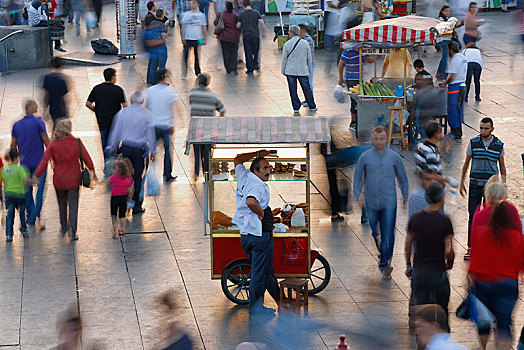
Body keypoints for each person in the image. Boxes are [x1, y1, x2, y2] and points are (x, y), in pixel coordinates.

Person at [468, 178, 523, 350]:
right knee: (504, 325)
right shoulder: (515, 236)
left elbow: (475, 260)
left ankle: (483, 348)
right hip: (508, 284)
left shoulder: (483, 232)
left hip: (485, 284)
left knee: (484, 323)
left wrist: (470, 280)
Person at [353, 126, 409, 279]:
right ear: (373, 139)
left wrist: (405, 196)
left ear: (387, 139)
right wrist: (358, 194)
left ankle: (386, 262)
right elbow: (357, 177)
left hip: (389, 201)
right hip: (371, 202)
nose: (379, 142)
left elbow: (402, 177)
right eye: (376, 139)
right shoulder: (365, 157)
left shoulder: (394, 157)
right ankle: (384, 256)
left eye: (382, 139)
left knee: (388, 234)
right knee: (375, 232)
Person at [232, 150, 280, 314]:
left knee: (265, 271)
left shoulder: (244, 176)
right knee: (260, 274)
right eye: (265, 168)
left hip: (246, 234)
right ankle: (256, 309)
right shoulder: (256, 185)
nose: (268, 171)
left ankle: (281, 302)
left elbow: (238, 158)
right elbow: (250, 201)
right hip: (258, 234)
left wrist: (259, 153)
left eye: (269, 167)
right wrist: (260, 212)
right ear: (256, 171)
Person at [34, 119, 96, 241]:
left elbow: (44, 161)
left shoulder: (53, 144)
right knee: (73, 204)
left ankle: (63, 226)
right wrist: (93, 170)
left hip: (59, 180)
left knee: (61, 203)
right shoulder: (76, 142)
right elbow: (86, 157)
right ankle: (72, 232)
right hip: (74, 179)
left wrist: (37, 175)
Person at [405, 183, 455, 317]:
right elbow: (448, 249)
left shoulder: (416, 218)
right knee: (442, 311)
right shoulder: (445, 221)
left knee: (417, 310)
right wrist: (449, 264)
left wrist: (409, 265)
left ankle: (418, 334)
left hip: (420, 272)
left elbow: (408, 243)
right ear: (442, 199)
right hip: (438, 273)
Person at [459, 117, 506, 260]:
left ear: (492, 129)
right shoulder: (473, 143)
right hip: (474, 185)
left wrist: (503, 186)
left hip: (491, 189)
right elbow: (466, 162)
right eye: (481, 128)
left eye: (486, 128)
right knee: (473, 217)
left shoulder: (499, 145)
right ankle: (471, 247)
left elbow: (502, 167)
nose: (483, 131)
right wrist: (462, 182)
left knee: (490, 218)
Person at [105, 91, 156, 215]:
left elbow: (116, 131)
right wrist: (153, 150)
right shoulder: (147, 115)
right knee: (138, 177)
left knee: (125, 175)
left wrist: (113, 146)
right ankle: (137, 204)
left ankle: (125, 201)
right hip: (140, 150)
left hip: (126, 148)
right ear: (142, 101)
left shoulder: (122, 113)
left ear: (131, 101)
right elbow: (150, 133)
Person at [11, 99, 50, 230]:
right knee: (40, 188)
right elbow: (45, 140)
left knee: (27, 190)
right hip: (40, 162)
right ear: (29, 107)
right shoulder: (39, 123)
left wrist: (14, 161)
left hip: (24, 163)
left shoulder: (16, 125)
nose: (37, 106)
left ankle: (30, 215)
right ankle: (35, 215)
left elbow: (13, 146)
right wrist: (52, 156)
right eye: (35, 104)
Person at [146, 69, 180, 181]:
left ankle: (148, 170)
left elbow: (147, 107)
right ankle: (167, 174)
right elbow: (174, 108)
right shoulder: (170, 90)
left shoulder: (150, 91)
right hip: (166, 125)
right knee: (167, 150)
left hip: (154, 125)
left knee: (151, 149)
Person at [189, 73, 226, 177]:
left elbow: (192, 104)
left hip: (196, 128)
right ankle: (206, 172)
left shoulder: (192, 93)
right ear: (208, 83)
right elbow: (222, 110)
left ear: (198, 82)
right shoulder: (214, 96)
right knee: (207, 151)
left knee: (196, 151)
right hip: (209, 129)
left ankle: (196, 172)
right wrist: (218, 122)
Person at [86, 68, 127, 153]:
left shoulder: (97, 88)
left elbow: (88, 103)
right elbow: (125, 106)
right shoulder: (118, 90)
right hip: (115, 121)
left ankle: (106, 159)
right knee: (114, 143)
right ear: (113, 77)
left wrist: (95, 110)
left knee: (104, 142)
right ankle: (113, 158)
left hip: (102, 120)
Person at [281, 25, 316, 115]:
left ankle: (296, 106)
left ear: (292, 33)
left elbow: (284, 59)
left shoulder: (287, 44)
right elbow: (309, 58)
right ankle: (312, 105)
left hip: (290, 70)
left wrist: (283, 70)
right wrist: (308, 69)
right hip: (302, 69)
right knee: (306, 88)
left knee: (293, 89)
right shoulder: (305, 43)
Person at [338, 48, 374, 130]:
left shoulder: (363, 50)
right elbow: (341, 64)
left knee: (359, 100)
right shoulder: (347, 51)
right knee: (354, 100)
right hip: (350, 79)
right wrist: (341, 79)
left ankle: (358, 120)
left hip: (359, 79)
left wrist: (376, 57)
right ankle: (353, 122)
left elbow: (369, 60)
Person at [1, 149, 32, 242]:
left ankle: (9, 234)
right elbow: (25, 179)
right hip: (19, 195)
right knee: (22, 213)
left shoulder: (3, 169)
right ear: (15, 158)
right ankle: (23, 230)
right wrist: (33, 181)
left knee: (10, 215)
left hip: (9, 195)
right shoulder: (20, 168)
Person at [439, 41, 467, 140]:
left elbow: (452, 76)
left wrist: (444, 83)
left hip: (456, 87)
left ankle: (456, 132)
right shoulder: (463, 57)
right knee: (459, 110)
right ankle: (458, 130)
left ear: (450, 50)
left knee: (453, 110)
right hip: (463, 85)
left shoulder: (455, 59)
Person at [237, 0, 266, 74]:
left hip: (246, 35)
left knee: (248, 52)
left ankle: (250, 69)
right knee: (256, 52)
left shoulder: (241, 14)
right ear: (250, 4)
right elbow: (262, 23)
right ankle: (256, 66)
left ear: (243, 5)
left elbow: (238, 25)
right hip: (255, 35)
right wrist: (264, 33)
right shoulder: (256, 13)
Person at [107, 158, 134, 239]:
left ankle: (115, 232)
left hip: (114, 198)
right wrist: (129, 197)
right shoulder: (128, 178)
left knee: (114, 215)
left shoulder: (114, 177)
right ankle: (121, 229)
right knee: (122, 215)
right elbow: (131, 189)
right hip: (123, 198)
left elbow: (108, 182)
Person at [181, 0, 206, 79]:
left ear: (198, 4)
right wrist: (183, 37)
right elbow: (183, 26)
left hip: (198, 38)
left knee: (197, 56)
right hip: (188, 37)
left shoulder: (202, 15)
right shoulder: (186, 15)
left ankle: (198, 72)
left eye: (194, 3)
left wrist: (205, 38)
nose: (192, 5)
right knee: (185, 56)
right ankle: (184, 73)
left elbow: (203, 27)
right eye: (191, 3)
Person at [214, 1, 239, 75]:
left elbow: (215, 23)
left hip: (223, 37)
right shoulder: (235, 15)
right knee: (233, 53)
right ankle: (234, 68)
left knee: (226, 53)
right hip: (233, 36)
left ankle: (228, 68)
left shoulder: (221, 14)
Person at [145, 9, 169, 85]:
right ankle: (161, 81)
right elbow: (164, 36)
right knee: (162, 65)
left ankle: (150, 80)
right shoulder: (162, 25)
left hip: (152, 47)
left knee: (152, 65)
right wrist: (167, 31)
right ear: (162, 15)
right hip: (161, 47)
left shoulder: (152, 23)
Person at [42, 57, 69, 124]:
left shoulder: (47, 78)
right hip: (60, 108)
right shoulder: (62, 80)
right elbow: (63, 97)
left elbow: (46, 95)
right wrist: (66, 110)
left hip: (52, 107)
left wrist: (45, 109)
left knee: (54, 125)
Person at [298, 24, 315, 107]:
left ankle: (310, 100)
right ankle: (307, 99)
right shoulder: (302, 39)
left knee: (308, 82)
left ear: (303, 31)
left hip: (308, 63)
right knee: (306, 82)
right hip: (304, 63)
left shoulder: (307, 40)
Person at [436, 5, 451, 80]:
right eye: (446, 11)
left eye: (449, 11)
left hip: (446, 40)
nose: (448, 12)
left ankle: (439, 74)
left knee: (444, 58)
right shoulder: (441, 20)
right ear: (442, 11)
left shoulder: (446, 19)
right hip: (443, 40)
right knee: (445, 58)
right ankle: (445, 75)